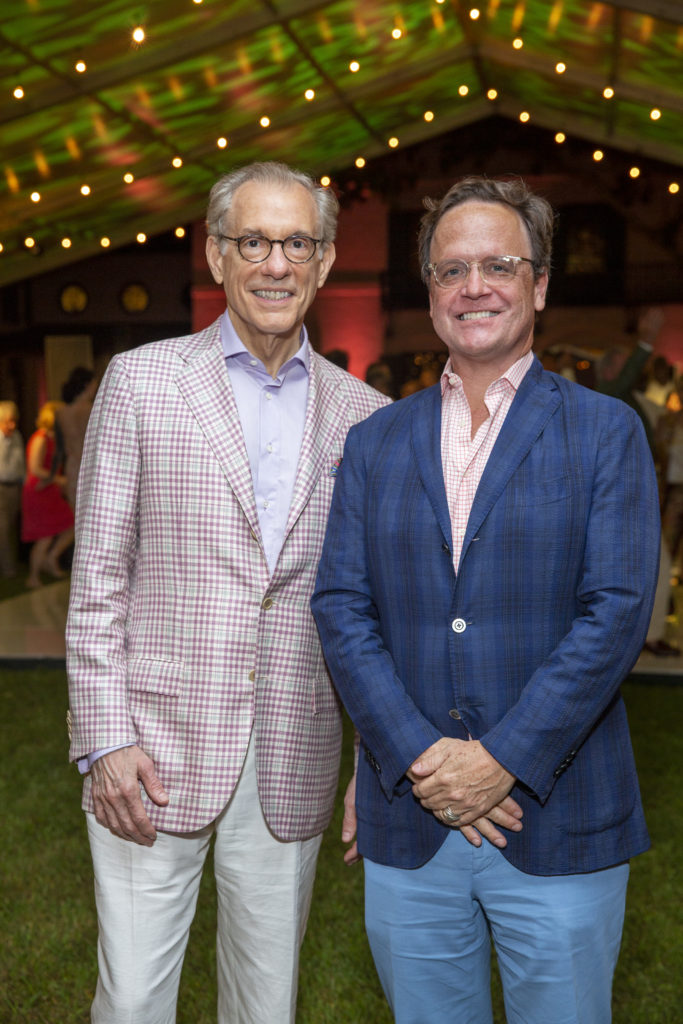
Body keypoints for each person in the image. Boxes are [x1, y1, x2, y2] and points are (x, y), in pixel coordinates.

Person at [311, 175, 659, 1024]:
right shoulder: (373, 442)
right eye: (449, 269)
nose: (473, 287)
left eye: (498, 265)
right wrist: (425, 762)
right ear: (429, 292)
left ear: (539, 284)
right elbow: (341, 608)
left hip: (558, 816)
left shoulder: (604, 431)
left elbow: (614, 612)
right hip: (412, 820)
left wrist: (499, 759)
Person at [66, 160, 388, 1024]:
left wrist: (376, 757)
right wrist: (104, 740)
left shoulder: (366, 416)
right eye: (253, 241)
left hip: (293, 749)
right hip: (150, 755)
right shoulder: (140, 383)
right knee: (132, 999)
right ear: (216, 255)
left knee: (266, 1003)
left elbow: (370, 611)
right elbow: (96, 578)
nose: (275, 264)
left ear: (323, 263)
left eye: (296, 243)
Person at [21, 400, 74, 588]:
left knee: (69, 524)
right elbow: (35, 468)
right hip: (38, 491)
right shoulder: (40, 438)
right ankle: (33, 577)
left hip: (49, 489)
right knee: (45, 535)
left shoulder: (54, 438)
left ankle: (51, 558)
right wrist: (58, 479)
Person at [57, 366, 97, 507]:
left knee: (77, 513)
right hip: (91, 466)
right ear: (87, 385)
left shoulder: (62, 412)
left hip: (72, 466)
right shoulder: (92, 409)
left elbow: (59, 447)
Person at [0, 400, 25, 578]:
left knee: (12, 527)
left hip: (15, 487)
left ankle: (12, 564)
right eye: (8, 421)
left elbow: (20, 464)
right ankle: (8, 570)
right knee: (3, 528)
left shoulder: (17, 437)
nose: (12, 424)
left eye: (13, 420)